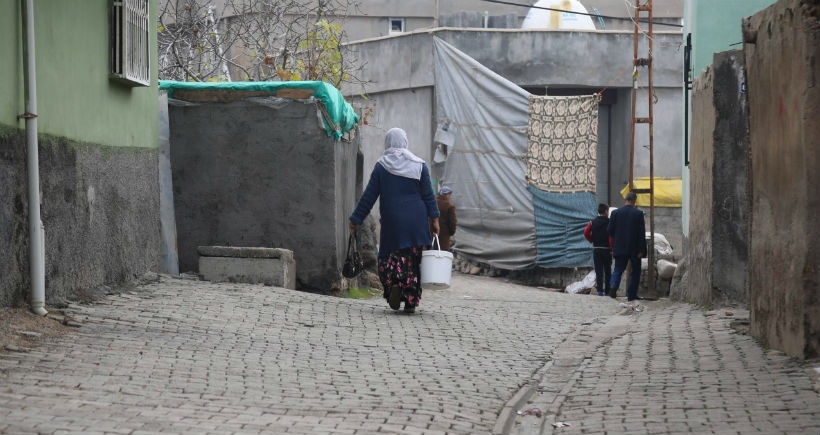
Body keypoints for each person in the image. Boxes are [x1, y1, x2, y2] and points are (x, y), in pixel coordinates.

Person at [349, 128, 440, 314]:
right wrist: (435, 220)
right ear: (405, 142)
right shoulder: (420, 166)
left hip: (393, 223)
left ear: (388, 143)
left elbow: (369, 197)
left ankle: (394, 286)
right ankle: (411, 301)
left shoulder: (382, 166)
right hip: (417, 222)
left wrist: (355, 218)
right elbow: (429, 196)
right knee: (413, 261)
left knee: (390, 258)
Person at [608, 191, 647, 301]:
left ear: (625, 200)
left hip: (619, 246)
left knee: (618, 268)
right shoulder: (638, 214)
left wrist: (618, 238)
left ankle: (613, 286)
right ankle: (631, 295)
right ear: (634, 201)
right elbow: (641, 233)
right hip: (634, 248)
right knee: (636, 271)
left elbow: (610, 231)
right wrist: (641, 250)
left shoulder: (615, 213)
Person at [584, 203, 612, 296]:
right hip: (607, 249)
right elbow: (611, 237)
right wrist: (612, 247)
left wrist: (591, 240)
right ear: (606, 211)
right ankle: (607, 291)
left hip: (596, 249)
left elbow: (586, 232)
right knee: (607, 271)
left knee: (599, 271)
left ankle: (599, 291)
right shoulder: (609, 222)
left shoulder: (593, 222)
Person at [434, 186, 457, 251]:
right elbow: (452, 222)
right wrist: (451, 232)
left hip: (431, 233)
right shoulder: (449, 206)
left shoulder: (433, 203)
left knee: (432, 252)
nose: (450, 196)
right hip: (444, 235)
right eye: (449, 194)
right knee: (443, 255)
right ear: (445, 195)